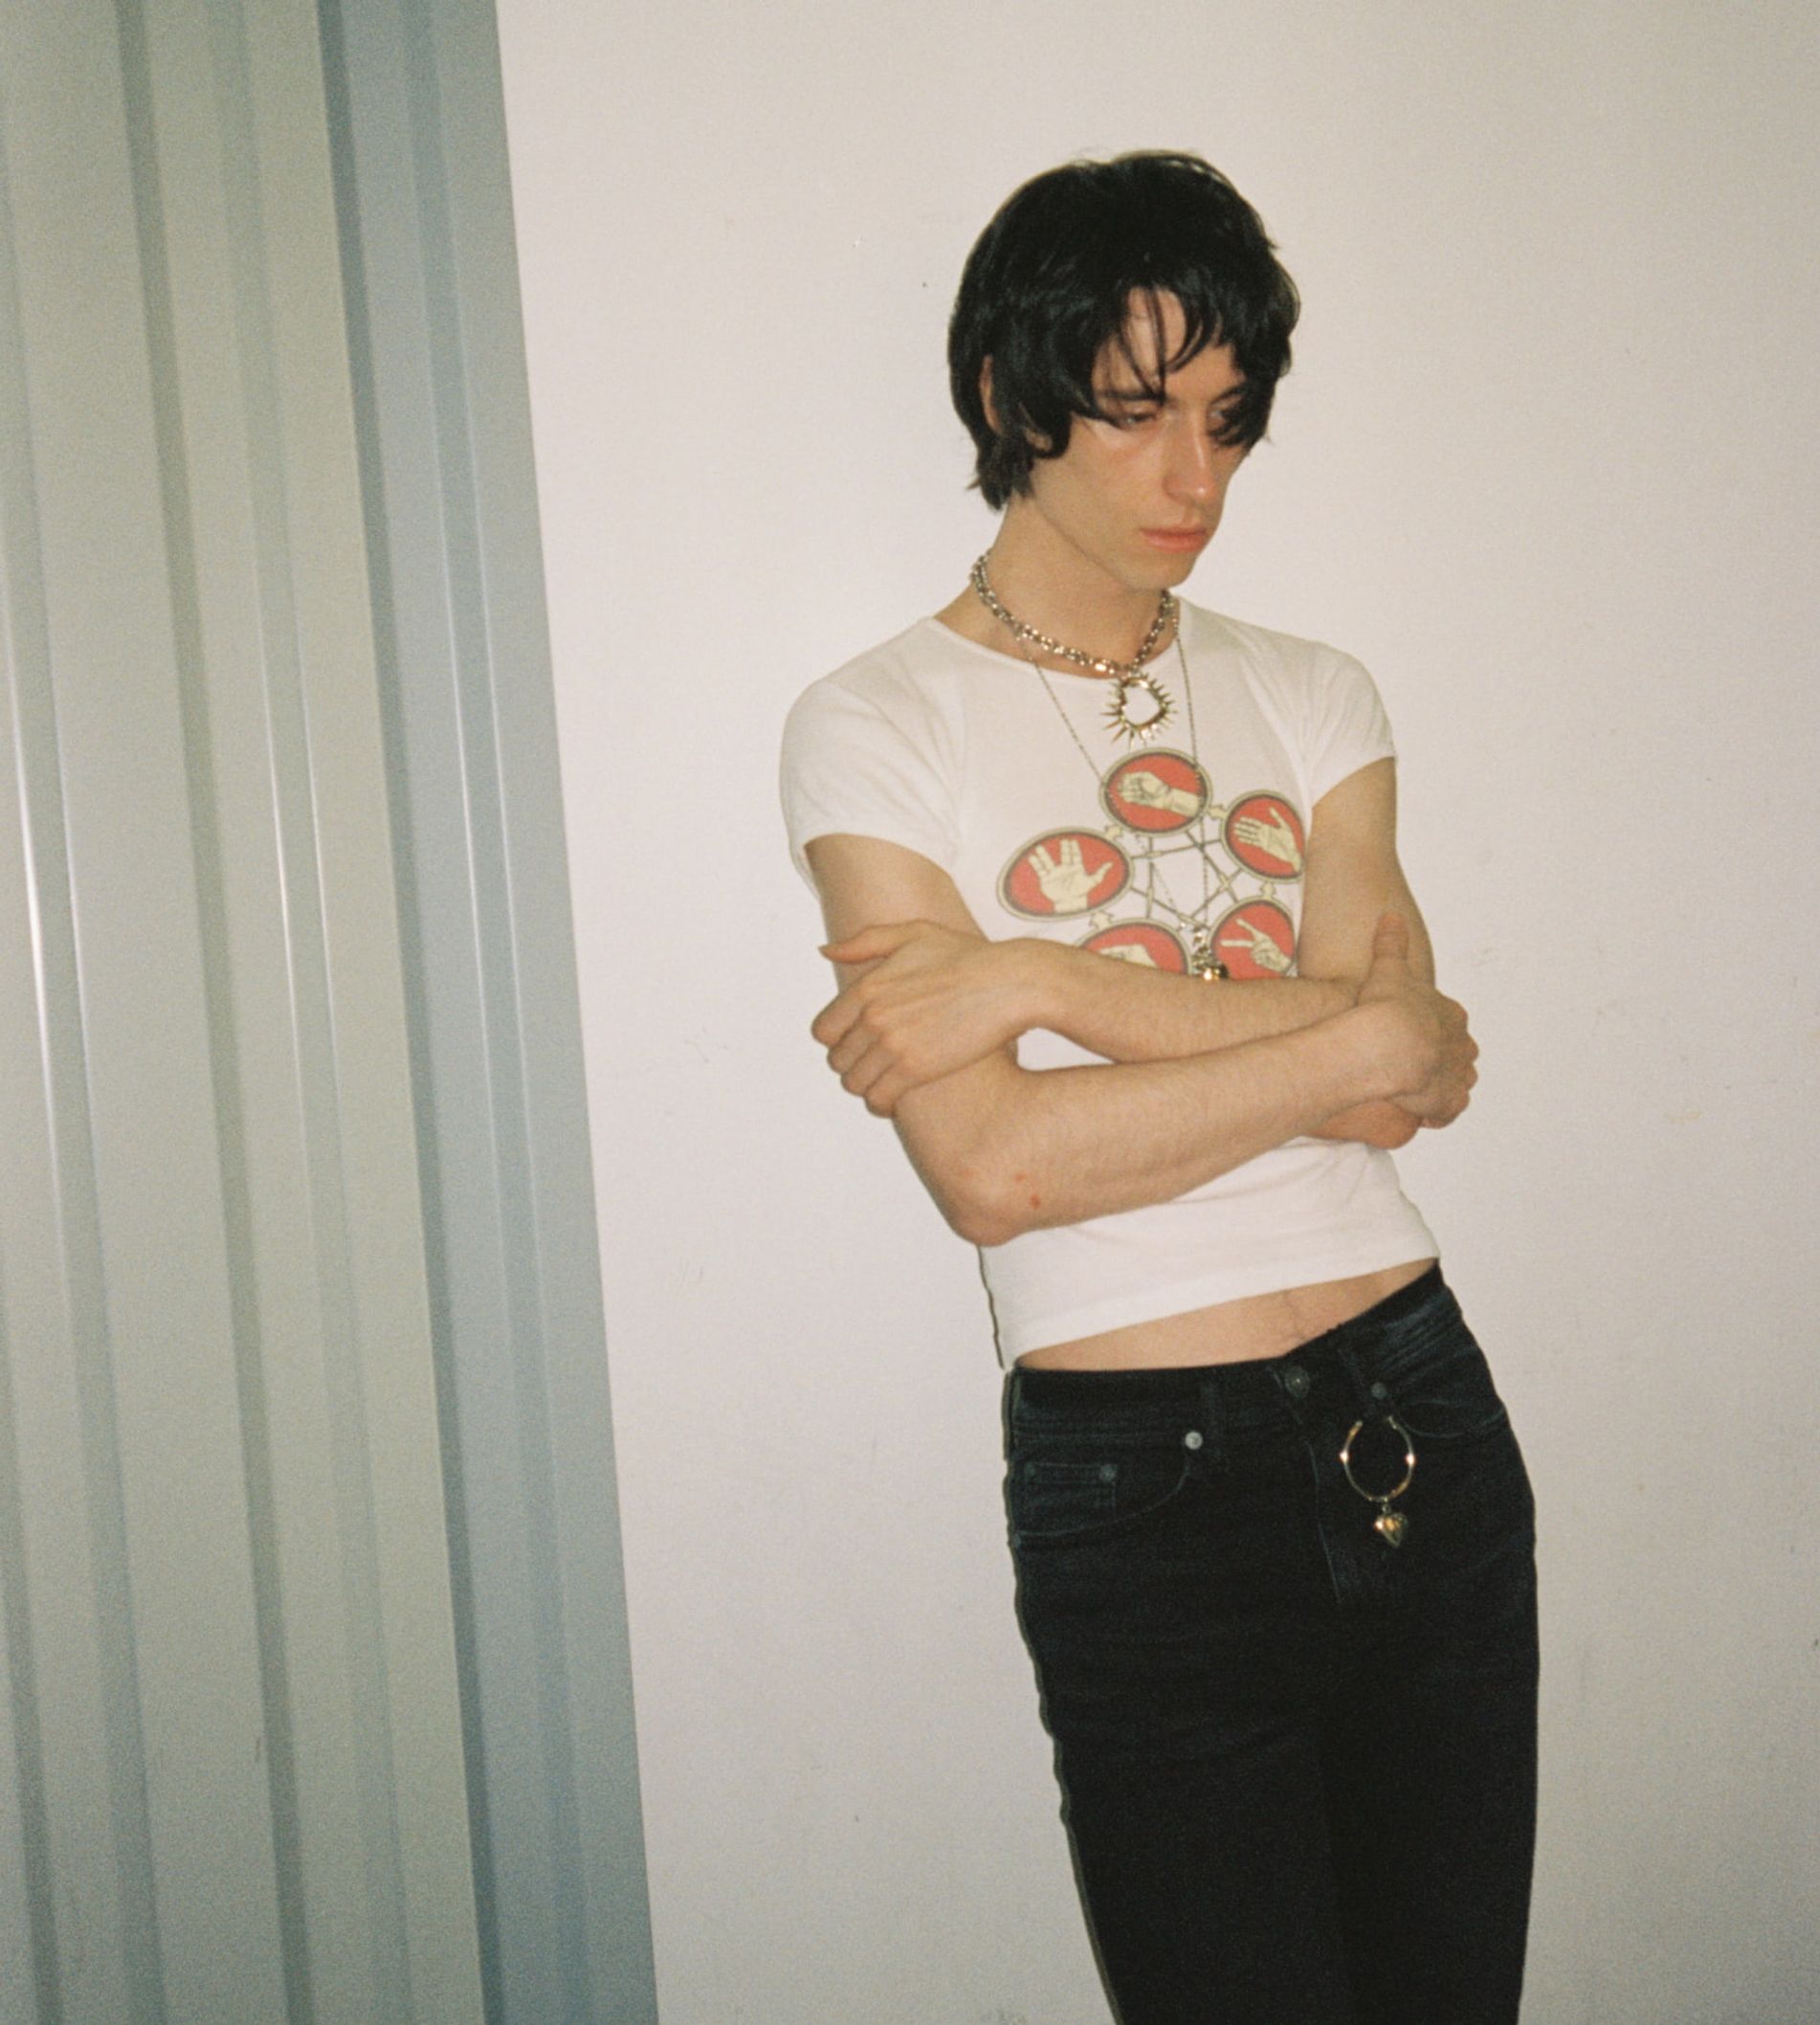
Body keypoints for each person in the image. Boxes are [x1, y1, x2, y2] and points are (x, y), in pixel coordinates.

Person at [778, 151, 1538, 2025]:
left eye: (1226, 418)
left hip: (1418, 1409)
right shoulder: (873, 724)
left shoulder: (1314, 691)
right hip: (1146, 1480)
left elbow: (1399, 1089)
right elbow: (1000, 1168)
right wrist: (1340, 1036)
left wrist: (1042, 978)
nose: (1193, 477)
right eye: (1134, 413)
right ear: (1006, 395)